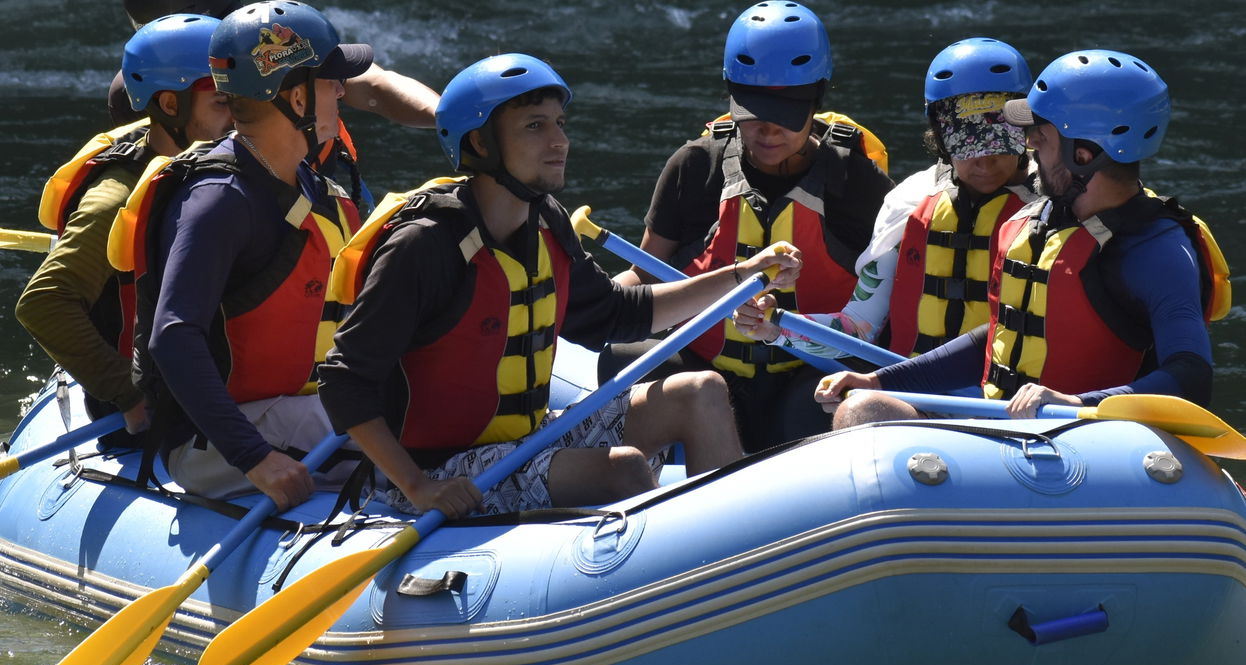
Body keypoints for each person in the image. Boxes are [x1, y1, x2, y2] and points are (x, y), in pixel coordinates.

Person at [317, 54, 801, 520]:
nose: (559, 141)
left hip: (528, 437)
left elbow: (618, 311)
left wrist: (743, 274)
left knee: (702, 391)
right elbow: (343, 380)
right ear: (481, 144)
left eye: (559, 123)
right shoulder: (424, 246)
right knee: (625, 468)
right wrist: (418, 486)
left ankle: (730, 546)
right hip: (439, 467)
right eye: (535, 126)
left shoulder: (545, 221)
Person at [815, 49, 1230, 428]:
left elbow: (1190, 375)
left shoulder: (1156, 248)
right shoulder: (1029, 224)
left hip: (1085, 440)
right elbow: (996, 335)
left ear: (1083, 154)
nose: (1027, 145)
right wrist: (880, 379)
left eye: (1041, 136)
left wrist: (1078, 403)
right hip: (998, 421)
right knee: (862, 408)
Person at [600, 1, 894, 452]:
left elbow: (884, 304)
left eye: (788, 110)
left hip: (808, 374)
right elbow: (645, 271)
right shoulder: (695, 166)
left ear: (816, 99)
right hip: (706, 364)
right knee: (616, 361)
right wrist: (587, 302)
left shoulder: (856, 184)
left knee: (821, 410)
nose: (768, 129)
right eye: (753, 109)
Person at [117, 1, 369, 508]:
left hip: (290, 408)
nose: (341, 90)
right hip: (217, 442)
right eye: (329, 81)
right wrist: (255, 458)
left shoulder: (307, 184)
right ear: (296, 98)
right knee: (401, 442)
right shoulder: (219, 200)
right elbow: (174, 336)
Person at [735, 37, 1039, 360]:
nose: (984, 162)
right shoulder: (910, 202)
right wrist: (775, 327)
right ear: (940, 138)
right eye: (968, 145)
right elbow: (858, 326)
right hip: (918, 397)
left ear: (1025, 132)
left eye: (998, 142)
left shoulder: (1059, 203)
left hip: (1018, 403)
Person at [16, 14, 232, 447]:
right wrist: (128, 392)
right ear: (171, 106)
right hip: (152, 401)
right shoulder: (115, 199)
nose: (240, 118)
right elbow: (43, 303)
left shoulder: (207, 160)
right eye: (222, 104)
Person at [110, 0, 441, 209]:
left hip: (318, 192)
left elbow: (373, 83)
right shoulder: (148, 89)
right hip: (249, 207)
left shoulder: (261, 41)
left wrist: (448, 117)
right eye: (222, 97)